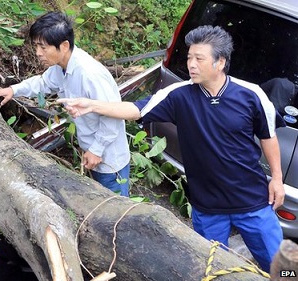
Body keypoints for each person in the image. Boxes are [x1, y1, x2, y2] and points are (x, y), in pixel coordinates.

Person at [58, 25, 285, 272]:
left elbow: (268, 136)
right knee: (214, 271)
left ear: (220, 62)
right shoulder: (179, 95)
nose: (191, 65)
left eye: (199, 59)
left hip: (252, 201)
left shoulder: (251, 94)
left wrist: (277, 178)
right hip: (207, 207)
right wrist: (92, 105)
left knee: (283, 269)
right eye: (189, 58)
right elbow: (136, 110)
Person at [0, 12, 131, 196]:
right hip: (91, 151)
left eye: (43, 47)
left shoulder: (90, 74)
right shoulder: (60, 67)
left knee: (116, 210)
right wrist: (13, 90)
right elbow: (43, 83)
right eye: (36, 46)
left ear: (64, 46)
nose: (38, 53)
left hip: (110, 160)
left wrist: (96, 150)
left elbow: (113, 116)